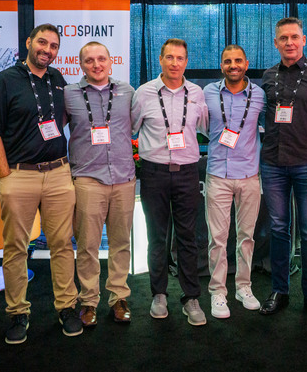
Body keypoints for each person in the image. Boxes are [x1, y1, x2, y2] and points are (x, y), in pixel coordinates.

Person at [0, 23, 82, 344]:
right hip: (19, 175)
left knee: (62, 244)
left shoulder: (57, 79)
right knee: (16, 247)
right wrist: (5, 176)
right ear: (28, 42)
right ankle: (17, 313)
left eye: (54, 46)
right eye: (42, 42)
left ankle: (67, 307)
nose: (47, 50)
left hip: (58, 173)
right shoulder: (3, 81)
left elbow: (61, 121)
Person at [258, 17, 307, 323]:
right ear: (275, 43)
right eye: (283, 38)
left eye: (294, 37)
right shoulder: (268, 76)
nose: (289, 42)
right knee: (279, 229)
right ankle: (280, 290)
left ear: (304, 40)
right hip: (273, 165)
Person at [131, 38, 209, 326]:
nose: (175, 63)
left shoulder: (197, 93)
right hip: (154, 173)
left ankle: (191, 298)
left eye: (180, 58)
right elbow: (131, 128)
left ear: (186, 62)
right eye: (170, 57)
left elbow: (206, 128)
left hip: (187, 172)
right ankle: (159, 294)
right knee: (157, 237)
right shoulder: (143, 93)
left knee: (187, 237)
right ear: (160, 60)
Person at [64, 41, 135, 327]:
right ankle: (89, 301)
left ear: (110, 61)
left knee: (121, 243)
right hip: (88, 180)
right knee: (87, 245)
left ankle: (119, 297)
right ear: (81, 64)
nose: (97, 65)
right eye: (90, 60)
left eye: (101, 59)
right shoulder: (69, 94)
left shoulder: (127, 92)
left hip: (123, 179)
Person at [203, 45, 265, 318]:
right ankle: (218, 291)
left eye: (238, 60)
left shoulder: (259, 95)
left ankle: (243, 287)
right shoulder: (207, 93)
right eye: (228, 61)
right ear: (221, 66)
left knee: (246, 237)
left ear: (246, 64)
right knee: (217, 239)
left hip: (249, 175)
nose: (233, 65)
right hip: (218, 174)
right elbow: (202, 125)